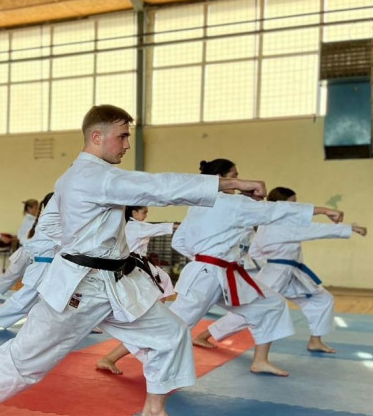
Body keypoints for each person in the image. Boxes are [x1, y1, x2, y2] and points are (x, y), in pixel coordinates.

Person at [0, 105, 270, 416]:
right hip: (78, 289)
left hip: (115, 284)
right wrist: (232, 184)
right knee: (26, 358)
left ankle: (153, 413)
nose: (127, 144)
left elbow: (70, 219)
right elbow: (159, 187)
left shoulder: (86, 177)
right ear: (97, 136)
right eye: (122, 136)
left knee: (172, 333)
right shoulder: (93, 176)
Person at [94, 159, 342, 378]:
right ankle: (111, 357)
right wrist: (324, 210)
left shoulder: (201, 205)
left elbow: (180, 242)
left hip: (221, 273)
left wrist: (203, 258)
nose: (239, 180)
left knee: (271, 304)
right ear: (221, 178)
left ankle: (260, 360)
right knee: (174, 324)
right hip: (208, 275)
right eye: (234, 175)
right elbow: (278, 210)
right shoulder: (230, 203)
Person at [192, 186, 366, 355]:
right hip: (276, 274)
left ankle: (315, 340)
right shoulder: (278, 224)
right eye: (292, 203)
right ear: (282, 204)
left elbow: (256, 251)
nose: (296, 207)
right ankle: (203, 336)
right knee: (252, 311)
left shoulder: (277, 224)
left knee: (322, 299)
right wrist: (349, 228)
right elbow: (315, 230)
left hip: (292, 274)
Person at [93, 206, 178, 373]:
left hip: (140, 269)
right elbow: (159, 228)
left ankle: (111, 358)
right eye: (144, 212)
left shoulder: (125, 226)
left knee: (151, 319)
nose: (146, 215)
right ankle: (112, 358)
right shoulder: (134, 226)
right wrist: (177, 225)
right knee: (147, 323)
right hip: (137, 271)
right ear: (134, 212)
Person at [0, 192, 58, 332]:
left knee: (65, 297)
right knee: (21, 296)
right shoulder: (49, 220)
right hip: (35, 260)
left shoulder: (50, 219)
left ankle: (83, 324)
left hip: (45, 263)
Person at [0, 199, 40, 299]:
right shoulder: (30, 220)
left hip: (32, 253)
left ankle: (31, 298)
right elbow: (24, 237)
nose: (37, 210)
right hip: (25, 253)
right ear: (29, 208)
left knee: (33, 276)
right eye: (36, 208)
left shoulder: (33, 220)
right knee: (10, 275)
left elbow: (21, 235)